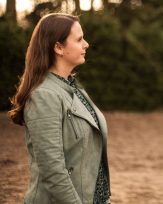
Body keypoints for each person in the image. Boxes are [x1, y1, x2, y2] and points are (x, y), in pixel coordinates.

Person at [8, 13, 111, 204]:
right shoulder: (44, 96)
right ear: (58, 47)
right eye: (79, 39)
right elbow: (52, 169)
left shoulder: (73, 88)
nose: (86, 44)